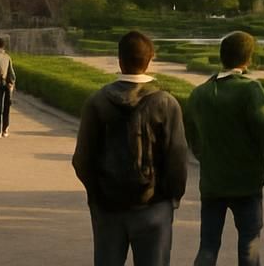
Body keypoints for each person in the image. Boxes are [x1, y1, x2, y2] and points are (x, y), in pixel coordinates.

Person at [72, 30, 189, 266]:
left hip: (108, 206)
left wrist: (96, 195)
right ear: (150, 60)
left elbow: (82, 160)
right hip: (153, 206)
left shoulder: (97, 102)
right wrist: (172, 197)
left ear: (120, 59)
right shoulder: (166, 103)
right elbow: (177, 158)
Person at [189, 31, 264, 266]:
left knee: (208, 246)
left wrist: (206, 158)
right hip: (247, 182)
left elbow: (193, 138)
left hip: (213, 181)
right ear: (249, 59)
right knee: (249, 244)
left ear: (221, 57)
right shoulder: (250, 90)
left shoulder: (200, 93)